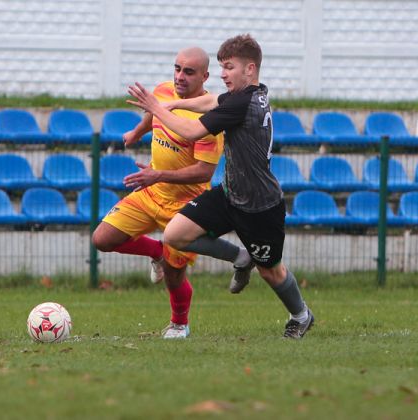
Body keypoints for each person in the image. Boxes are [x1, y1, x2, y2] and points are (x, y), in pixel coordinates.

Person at [126, 34, 315, 339]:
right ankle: (242, 258)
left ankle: (301, 314)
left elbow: (190, 131)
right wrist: (174, 103)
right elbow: (211, 100)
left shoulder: (242, 104)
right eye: (222, 67)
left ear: (249, 68)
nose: (223, 74)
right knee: (175, 234)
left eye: (229, 67)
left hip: (259, 205)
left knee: (272, 272)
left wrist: (156, 107)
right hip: (229, 194)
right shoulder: (252, 92)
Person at [92, 46, 249, 339]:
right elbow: (153, 114)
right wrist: (137, 133)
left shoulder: (210, 120)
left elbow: (204, 172)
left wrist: (157, 174)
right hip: (151, 192)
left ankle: (179, 324)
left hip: (185, 206)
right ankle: (157, 252)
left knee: (175, 275)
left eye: (188, 72)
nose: (180, 76)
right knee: (102, 238)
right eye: (177, 68)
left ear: (205, 76)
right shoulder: (163, 90)